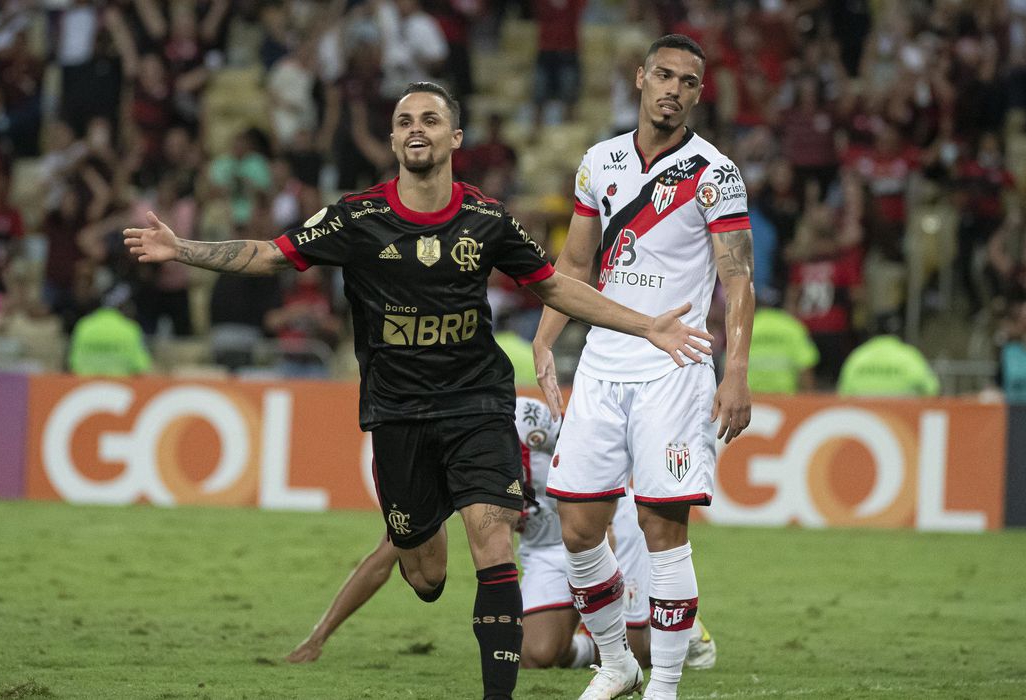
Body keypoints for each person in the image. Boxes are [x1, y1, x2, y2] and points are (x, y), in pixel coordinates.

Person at [124, 81, 712, 700]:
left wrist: (646, 324)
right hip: (397, 415)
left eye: (430, 119)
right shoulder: (357, 217)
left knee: (491, 536)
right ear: (393, 138)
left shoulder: (485, 218)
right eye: (405, 119)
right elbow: (269, 254)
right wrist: (180, 249)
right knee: (426, 574)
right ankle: (426, 552)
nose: (416, 128)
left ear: (454, 138)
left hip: (477, 404)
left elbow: (556, 286)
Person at [531, 35, 754, 700]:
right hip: (602, 362)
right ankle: (614, 661)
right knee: (577, 525)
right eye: (664, 74)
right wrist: (545, 342)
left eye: (689, 81)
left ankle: (665, 684)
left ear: (698, 93)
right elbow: (573, 265)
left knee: (662, 526)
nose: (674, 89)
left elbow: (737, 278)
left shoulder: (715, 173)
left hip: (676, 367)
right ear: (639, 77)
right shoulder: (599, 162)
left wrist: (737, 370)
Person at [283, 397, 718, 671]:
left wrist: (606, 543)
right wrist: (318, 637)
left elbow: (595, 455)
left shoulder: (523, 418)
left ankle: (685, 625)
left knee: (639, 653)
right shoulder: (443, 470)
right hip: (546, 547)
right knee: (535, 655)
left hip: (605, 522)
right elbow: (384, 559)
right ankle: (584, 639)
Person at [836, 334, 939, 397]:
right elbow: (932, 389)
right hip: (906, 422)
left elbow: (842, 393)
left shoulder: (858, 356)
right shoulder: (909, 355)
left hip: (863, 420)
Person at [746, 306, 819, 395]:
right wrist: (808, 398)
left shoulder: (747, 326)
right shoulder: (793, 327)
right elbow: (806, 365)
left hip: (749, 397)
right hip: (786, 398)